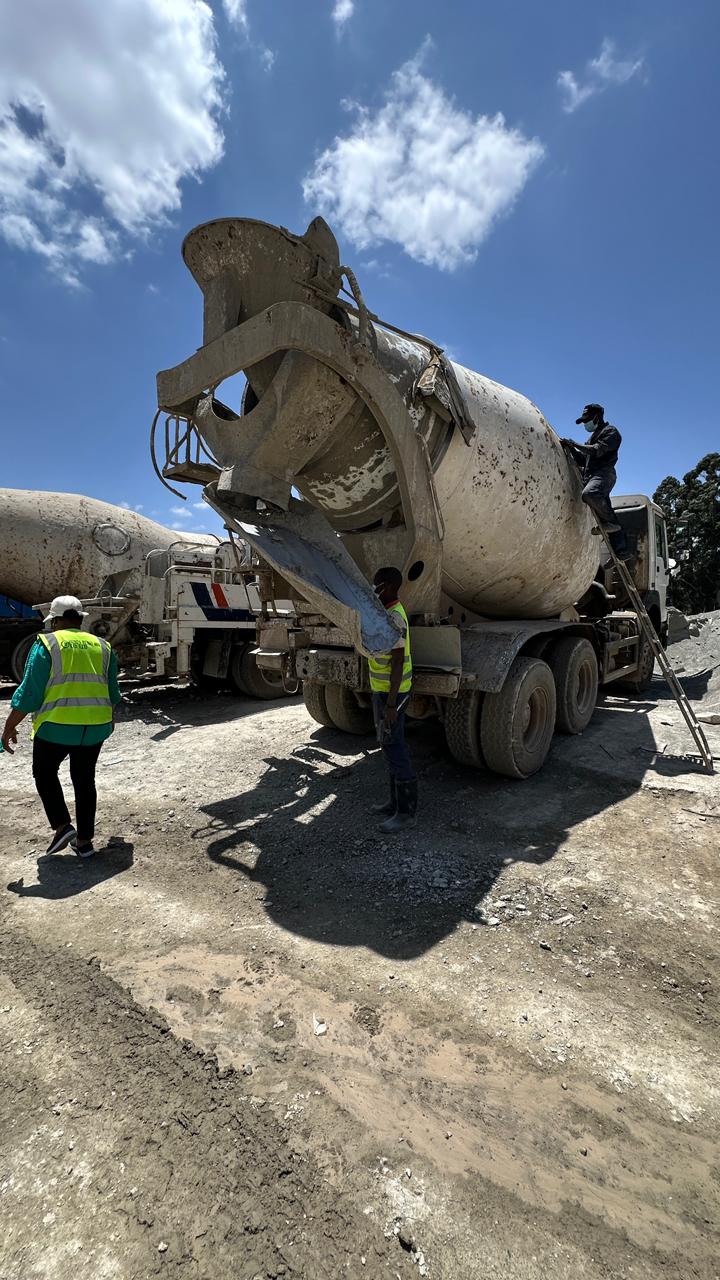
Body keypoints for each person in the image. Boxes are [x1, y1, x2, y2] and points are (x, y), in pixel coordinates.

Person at [1, 595, 121, 857]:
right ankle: (85, 842)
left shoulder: (47, 644)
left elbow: (30, 693)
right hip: (95, 727)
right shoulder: (103, 646)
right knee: (84, 779)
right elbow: (113, 691)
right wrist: (110, 719)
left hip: (56, 726)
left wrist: (9, 725)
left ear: (54, 621)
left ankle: (62, 826)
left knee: (44, 773)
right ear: (81, 620)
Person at [368, 566, 417, 833]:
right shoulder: (386, 613)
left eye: (375, 585)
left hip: (393, 694)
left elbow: (398, 663)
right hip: (382, 691)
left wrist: (390, 705)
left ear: (385, 587)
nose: (372, 589)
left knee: (395, 747)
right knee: (387, 745)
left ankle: (406, 813)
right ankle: (394, 802)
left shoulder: (395, 617)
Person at [561, 403, 631, 559]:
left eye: (587, 420)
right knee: (606, 514)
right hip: (591, 475)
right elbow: (583, 459)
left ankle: (613, 525)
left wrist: (575, 444)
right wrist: (572, 449)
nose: (585, 424)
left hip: (603, 474)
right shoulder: (591, 438)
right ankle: (621, 552)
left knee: (590, 494)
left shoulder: (610, 432)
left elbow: (597, 450)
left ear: (597, 417)